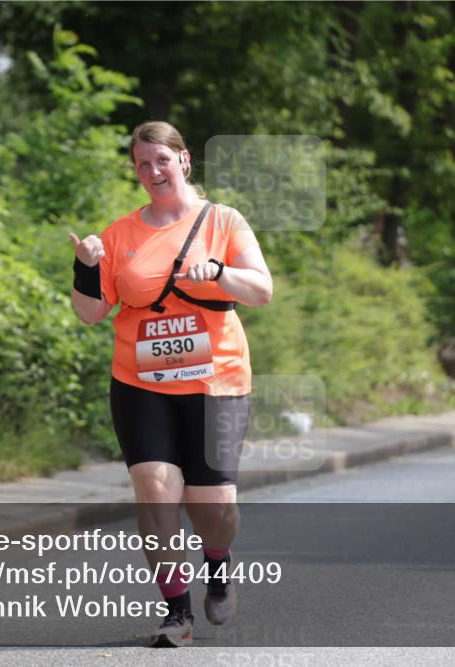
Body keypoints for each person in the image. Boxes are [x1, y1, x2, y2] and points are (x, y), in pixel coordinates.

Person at [70, 121, 272, 647]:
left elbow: (261, 290)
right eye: (142, 164)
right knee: (156, 491)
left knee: (216, 511)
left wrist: (219, 272)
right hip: (141, 381)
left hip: (216, 382)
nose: (153, 171)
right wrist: (86, 266)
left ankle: (218, 564)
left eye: (162, 159)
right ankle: (176, 613)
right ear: (135, 170)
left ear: (183, 161)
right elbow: (91, 312)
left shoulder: (223, 220)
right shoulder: (119, 234)